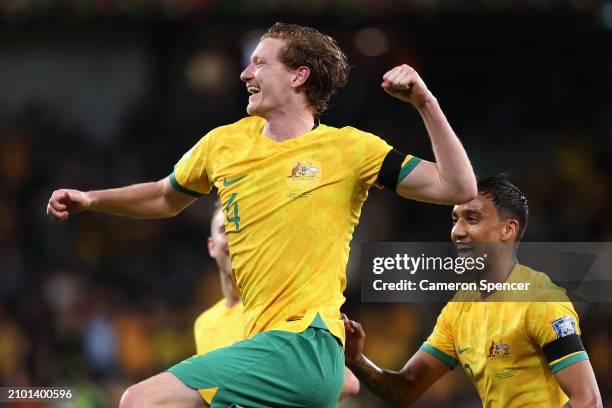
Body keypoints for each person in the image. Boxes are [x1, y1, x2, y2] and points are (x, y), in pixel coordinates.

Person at [47, 22, 476, 407]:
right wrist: (92, 199)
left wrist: (425, 102)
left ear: (298, 75)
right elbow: (163, 196)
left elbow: (457, 188)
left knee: (141, 400)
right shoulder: (224, 143)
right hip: (269, 348)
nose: (245, 74)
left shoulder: (351, 149)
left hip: (305, 341)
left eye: (258, 63)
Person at [343, 175, 602, 408]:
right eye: (455, 219)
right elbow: (404, 389)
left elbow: (588, 400)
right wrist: (356, 359)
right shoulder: (459, 308)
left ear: (507, 230)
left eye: (473, 219)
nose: (457, 232)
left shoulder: (541, 300)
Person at [195, 203, 360, 403]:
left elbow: (347, 382)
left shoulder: (281, 303)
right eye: (224, 230)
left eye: (240, 228)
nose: (234, 238)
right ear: (211, 246)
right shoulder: (204, 324)